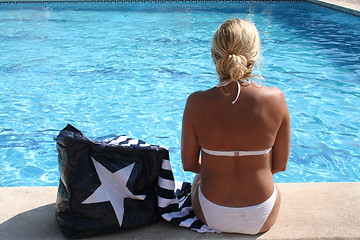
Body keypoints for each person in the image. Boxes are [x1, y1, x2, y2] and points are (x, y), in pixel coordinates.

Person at [181, 18, 290, 235]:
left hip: (212, 213)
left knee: (198, 178)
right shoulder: (276, 99)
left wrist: (218, 168)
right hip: (262, 213)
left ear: (214, 56)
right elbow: (279, 167)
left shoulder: (196, 102)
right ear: (254, 55)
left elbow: (189, 164)